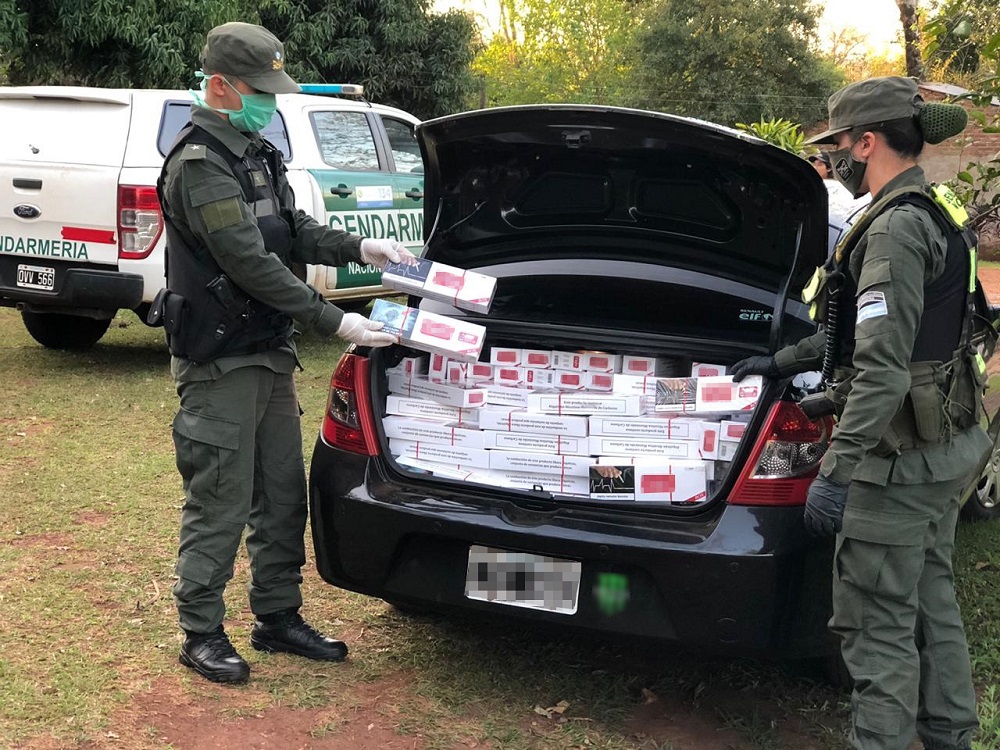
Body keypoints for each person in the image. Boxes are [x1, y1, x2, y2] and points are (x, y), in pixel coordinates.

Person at [731, 77, 989, 750]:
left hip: (898, 468)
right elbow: (853, 335)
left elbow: (881, 370)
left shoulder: (896, 232)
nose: (835, 158)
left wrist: (837, 473)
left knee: (876, 629)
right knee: (932, 607)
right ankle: (949, 735)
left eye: (839, 144)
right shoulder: (934, 210)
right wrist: (779, 365)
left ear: (867, 142)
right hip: (943, 454)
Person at [156, 21, 417, 685]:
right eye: (258, 90)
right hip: (220, 358)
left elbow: (288, 229)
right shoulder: (199, 164)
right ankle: (201, 631)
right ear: (218, 86)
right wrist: (337, 321)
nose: (269, 102)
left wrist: (359, 248)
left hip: (266, 349)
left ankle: (276, 616)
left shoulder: (253, 151)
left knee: (279, 496)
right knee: (219, 497)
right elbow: (247, 260)